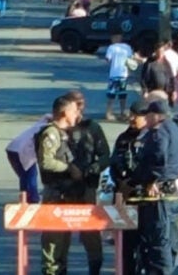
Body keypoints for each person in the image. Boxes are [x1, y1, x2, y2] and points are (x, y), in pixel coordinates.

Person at [128, 100, 178, 275]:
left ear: (156, 115)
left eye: (148, 116)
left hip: (159, 196)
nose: (146, 120)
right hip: (175, 194)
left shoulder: (159, 133)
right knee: (173, 241)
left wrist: (151, 180)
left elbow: (158, 156)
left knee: (159, 242)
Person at [35, 95, 84, 275]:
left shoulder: (68, 134)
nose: (77, 114)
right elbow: (46, 161)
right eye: (73, 110)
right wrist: (69, 168)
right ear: (64, 112)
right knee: (53, 244)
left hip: (67, 195)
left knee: (64, 244)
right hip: (54, 196)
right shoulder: (51, 133)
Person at [64, 90, 110, 275]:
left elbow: (106, 155)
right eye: (76, 104)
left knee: (90, 232)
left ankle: (94, 269)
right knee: (59, 233)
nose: (80, 107)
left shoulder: (92, 127)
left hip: (87, 187)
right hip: (63, 188)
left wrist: (96, 167)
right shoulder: (58, 127)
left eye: (82, 104)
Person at [108, 101, 148, 275]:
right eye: (130, 114)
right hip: (125, 200)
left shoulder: (152, 138)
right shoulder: (124, 138)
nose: (131, 118)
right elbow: (114, 163)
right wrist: (122, 184)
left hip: (145, 201)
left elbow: (150, 168)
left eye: (136, 115)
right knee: (125, 248)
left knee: (146, 247)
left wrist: (134, 184)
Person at [5, 114, 52, 204]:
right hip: (23, 151)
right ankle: (33, 199)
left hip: (12, 148)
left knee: (24, 176)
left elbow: (47, 116)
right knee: (30, 175)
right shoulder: (47, 130)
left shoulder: (40, 124)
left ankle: (25, 197)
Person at [105, 31, 134, 120]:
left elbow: (108, 59)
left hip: (114, 74)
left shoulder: (111, 47)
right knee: (122, 94)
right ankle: (122, 112)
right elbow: (130, 60)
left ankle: (108, 113)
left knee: (111, 94)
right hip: (123, 74)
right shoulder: (127, 47)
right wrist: (129, 71)